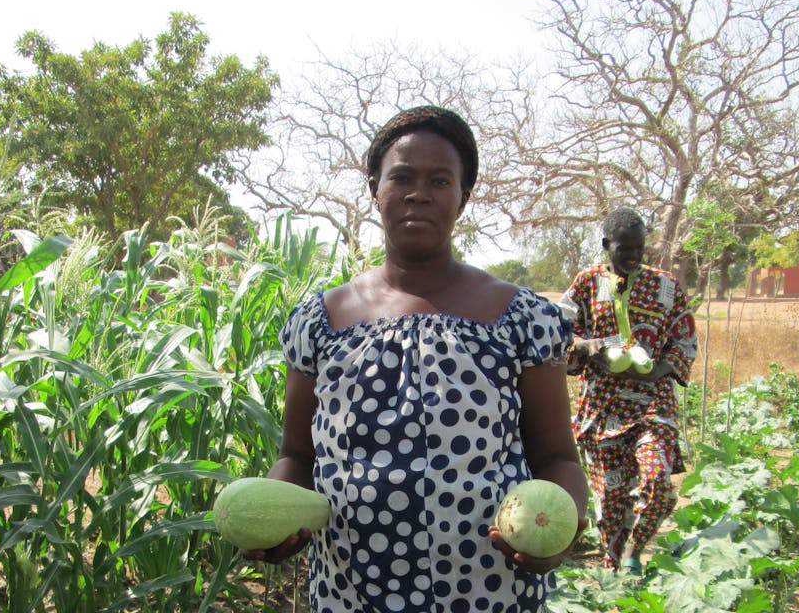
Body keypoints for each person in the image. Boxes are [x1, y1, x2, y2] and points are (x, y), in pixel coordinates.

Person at [240, 105, 589, 612]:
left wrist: (561, 529)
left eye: (440, 180)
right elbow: (297, 455)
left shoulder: (521, 317)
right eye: (401, 176)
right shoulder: (320, 320)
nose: (418, 193)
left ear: (463, 197)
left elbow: (556, 457)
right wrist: (269, 516)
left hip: (487, 590)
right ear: (374, 189)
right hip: (351, 590)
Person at [560, 208, 697, 576]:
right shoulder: (586, 284)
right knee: (610, 498)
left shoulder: (666, 286)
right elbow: (558, 335)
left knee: (657, 482)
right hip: (602, 410)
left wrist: (660, 370)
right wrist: (588, 349)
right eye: (625, 249)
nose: (635, 256)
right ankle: (613, 570)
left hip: (654, 405)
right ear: (607, 245)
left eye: (640, 248)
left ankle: (636, 550)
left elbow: (683, 340)